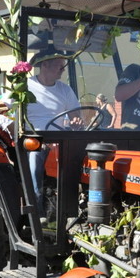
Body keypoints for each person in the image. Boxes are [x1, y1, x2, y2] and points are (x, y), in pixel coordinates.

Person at [26, 47, 81, 216]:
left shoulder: (65, 90)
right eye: (60, 66)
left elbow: (76, 118)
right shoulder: (25, 86)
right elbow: (6, 110)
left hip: (59, 138)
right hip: (33, 139)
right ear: (45, 65)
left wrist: (76, 122)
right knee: (35, 155)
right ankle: (36, 210)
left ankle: (73, 204)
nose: (63, 70)